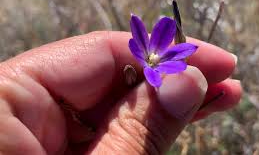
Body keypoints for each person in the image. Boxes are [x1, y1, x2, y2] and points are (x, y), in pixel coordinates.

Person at [0, 31, 242, 154]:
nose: (153, 57)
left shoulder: (156, 66)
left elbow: (177, 63)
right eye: (149, 56)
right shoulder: (147, 67)